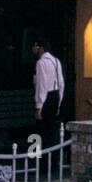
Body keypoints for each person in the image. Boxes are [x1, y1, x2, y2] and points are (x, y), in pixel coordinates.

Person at [31, 37, 64, 168]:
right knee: (52, 131)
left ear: (41, 48)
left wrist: (39, 106)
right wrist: (59, 102)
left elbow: (41, 85)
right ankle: (54, 162)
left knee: (40, 132)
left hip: (46, 98)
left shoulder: (41, 63)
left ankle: (41, 163)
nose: (33, 49)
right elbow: (61, 83)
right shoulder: (56, 61)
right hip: (55, 96)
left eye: (35, 46)